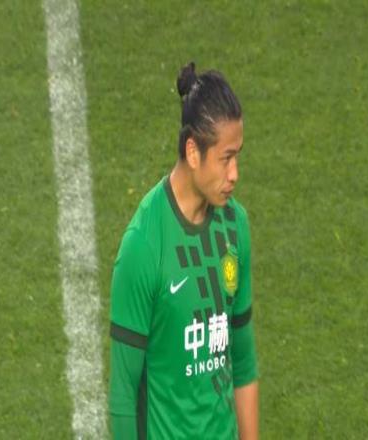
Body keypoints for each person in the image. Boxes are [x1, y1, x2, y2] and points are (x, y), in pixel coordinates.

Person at [109, 62, 259, 439]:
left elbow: (242, 361)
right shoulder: (144, 246)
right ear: (193, 151)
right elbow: (123, 394)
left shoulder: (235, 226)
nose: (235, 173)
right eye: (225, 158)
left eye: (237, 156)